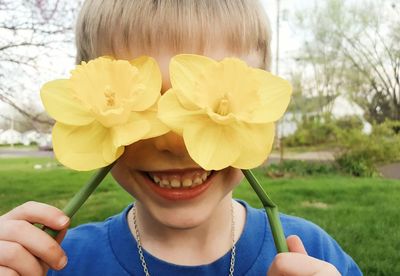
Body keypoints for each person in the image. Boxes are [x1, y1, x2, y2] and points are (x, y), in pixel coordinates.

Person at [0, 0, 362, 275]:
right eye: (149, 101)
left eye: (193, 102)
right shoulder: (51, 261)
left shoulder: (313, 257)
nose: (174, 142)